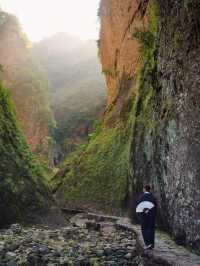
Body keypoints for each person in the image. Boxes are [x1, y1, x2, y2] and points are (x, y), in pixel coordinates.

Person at [136, 185, 157, 250]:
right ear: (149, 190)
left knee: (144, 229)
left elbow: (139, 206)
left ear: (144, 189)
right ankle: (151, 244)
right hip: (151, 216)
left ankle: (147, 244)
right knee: (151, 229)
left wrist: (139, 216)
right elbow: (155, 207)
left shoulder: (141, 197)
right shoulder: (153, 197)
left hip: (144, 216)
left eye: (143, 189)